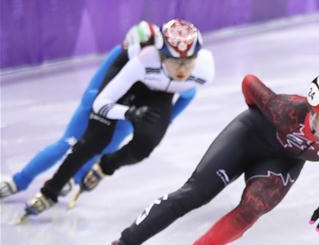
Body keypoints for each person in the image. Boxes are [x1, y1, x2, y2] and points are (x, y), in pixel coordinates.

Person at [82, 72, 319, 245]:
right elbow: (249, 82)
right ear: (313, 113)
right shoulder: (285, 110)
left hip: (281, 161)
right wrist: (259, 119)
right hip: (248, 136)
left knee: (254, 207)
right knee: (194, 194)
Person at [18, 18, 214, 221]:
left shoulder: (204, 70)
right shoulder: (140, 62)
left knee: (146, 145)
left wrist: (165, 121)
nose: (182, 70)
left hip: (158, 93)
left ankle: (106, 166)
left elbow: (187, 95)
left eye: (188, 62)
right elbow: (100, 104)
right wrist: (128, 113)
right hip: (128, 84)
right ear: (161, 57)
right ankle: (50, 191)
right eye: (176, 62)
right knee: (94, 140)